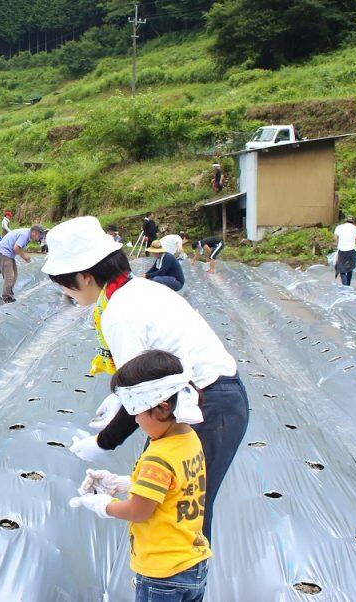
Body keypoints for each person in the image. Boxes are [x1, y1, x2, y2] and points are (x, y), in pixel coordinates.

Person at [41, 216, 248, 542]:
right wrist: (118, 400)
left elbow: (143, 394)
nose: (66, 292)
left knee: (184, 515)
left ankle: (176, 586)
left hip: (209, 402)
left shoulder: (121, 314)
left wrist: (102, 442)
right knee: (169, 498)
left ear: (84, 276)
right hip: (203, 396)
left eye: (64, 284)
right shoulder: (138, 289)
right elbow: (143, 379)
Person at [70, 350, 211, 602]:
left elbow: (139, 511)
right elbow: (173, 487)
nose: (134, 419)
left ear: (162, 409)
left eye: (137, 413)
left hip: (162, 573)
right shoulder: (189, 440)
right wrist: (123, 483)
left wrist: (105, 505)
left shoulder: (158, 456)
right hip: (193, 562)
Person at [0, 225, 47, 302]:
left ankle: (9, 294)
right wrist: (25, 257)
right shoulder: (24, 235)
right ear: (34, 232)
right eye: (39, 235)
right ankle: (6, 297)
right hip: (4, 253)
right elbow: (16, 248)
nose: (39, 238)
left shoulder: (27, 234)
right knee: (10, 276)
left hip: (8, 254)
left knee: (14, 275)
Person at [333, 215, 356, 287]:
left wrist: (340, 243)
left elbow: (335, 238)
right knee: (350, 267)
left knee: (341, 267)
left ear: (345, 220)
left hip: (341, 250)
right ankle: (348, 285)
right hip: (351, 250)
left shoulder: (339, 227)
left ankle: (345, 286)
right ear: (353, 221)